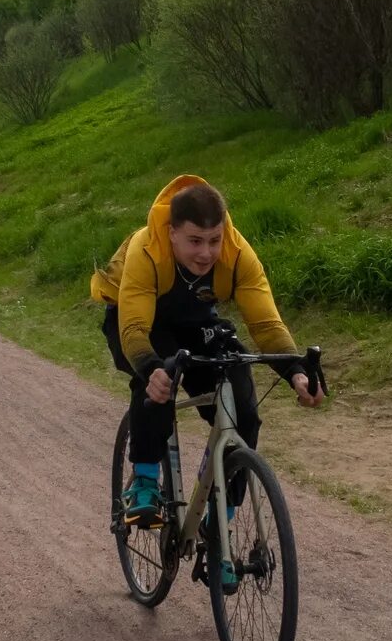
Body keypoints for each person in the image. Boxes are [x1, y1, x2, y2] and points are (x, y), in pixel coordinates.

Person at [95, 177, 320, 542]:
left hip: (195, 323)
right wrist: (150, 368)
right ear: (172, 233)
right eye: (195, 241)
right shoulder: (146, 248)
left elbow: (265, 323)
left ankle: (222, 512)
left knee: (242, 405)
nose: (206, 253)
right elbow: (134, 327)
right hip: (135, 321)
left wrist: (296, 372)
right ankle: (146, 480)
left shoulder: (236, 252)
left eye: (214, 240)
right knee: (160, 377)